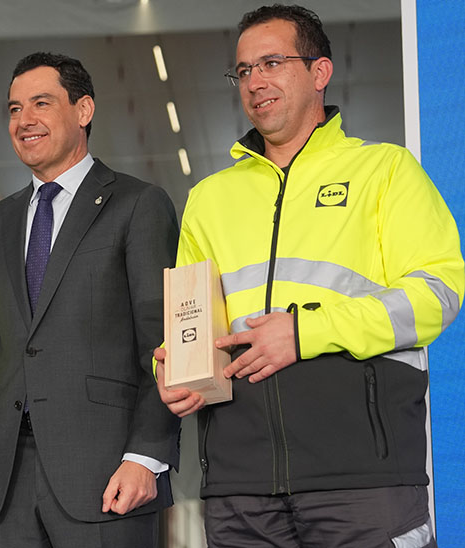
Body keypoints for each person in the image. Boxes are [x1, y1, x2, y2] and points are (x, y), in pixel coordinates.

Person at [155, 5, 464, 547]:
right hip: (240, 489)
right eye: (244, 70)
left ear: (319, 72)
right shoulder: (208, 199)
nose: (254, 82)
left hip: (364, 483)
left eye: (271, 62)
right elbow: (195, 318)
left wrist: (304, 332)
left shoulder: (385, 171)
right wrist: (176, 364)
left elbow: (438, 295)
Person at [0, 52, 180, 547]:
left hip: (108, 471)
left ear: (83, 110)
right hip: (13, 479)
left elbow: (166, 342)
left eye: (41, 103)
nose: (24, 120)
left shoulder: (138, 204)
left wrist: (146, 456)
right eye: (14, 108)